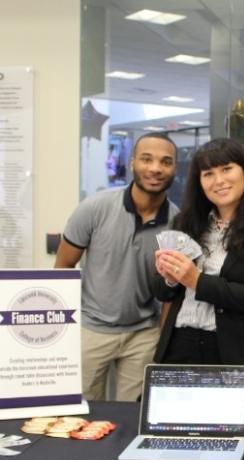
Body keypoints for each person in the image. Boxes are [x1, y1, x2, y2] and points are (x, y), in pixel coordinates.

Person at [152, 137, 244, 405]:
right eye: (208, 174)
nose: (218, 181)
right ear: (200, 183)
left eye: (226, 169)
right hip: (180, 344)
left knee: (233, 439)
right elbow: (161, 291)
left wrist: (197, 281)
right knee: (177, 434)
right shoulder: (186, 222)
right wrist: (170, 279)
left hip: (236, 351)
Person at [55, 132, 179, 401]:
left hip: (143, 335)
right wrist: (65, 330)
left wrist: (162, 336)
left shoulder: (177, 222)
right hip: (90, 330)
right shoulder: (94, 208)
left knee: (133, 418)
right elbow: (63, 265)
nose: (156, 168)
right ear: (132, 162)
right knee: (81, 414)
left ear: (174, 169)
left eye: (165, 162)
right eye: (146, 159)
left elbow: (172, 289)